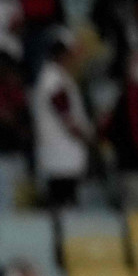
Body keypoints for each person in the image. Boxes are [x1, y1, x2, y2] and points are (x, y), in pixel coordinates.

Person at [32, 29, 91, 207]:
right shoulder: (53, 78)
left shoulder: (57, 76)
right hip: (60, 156)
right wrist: (87, 136)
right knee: (61, 206)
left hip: (63, 157)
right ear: (63, 54)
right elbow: (65, 114)